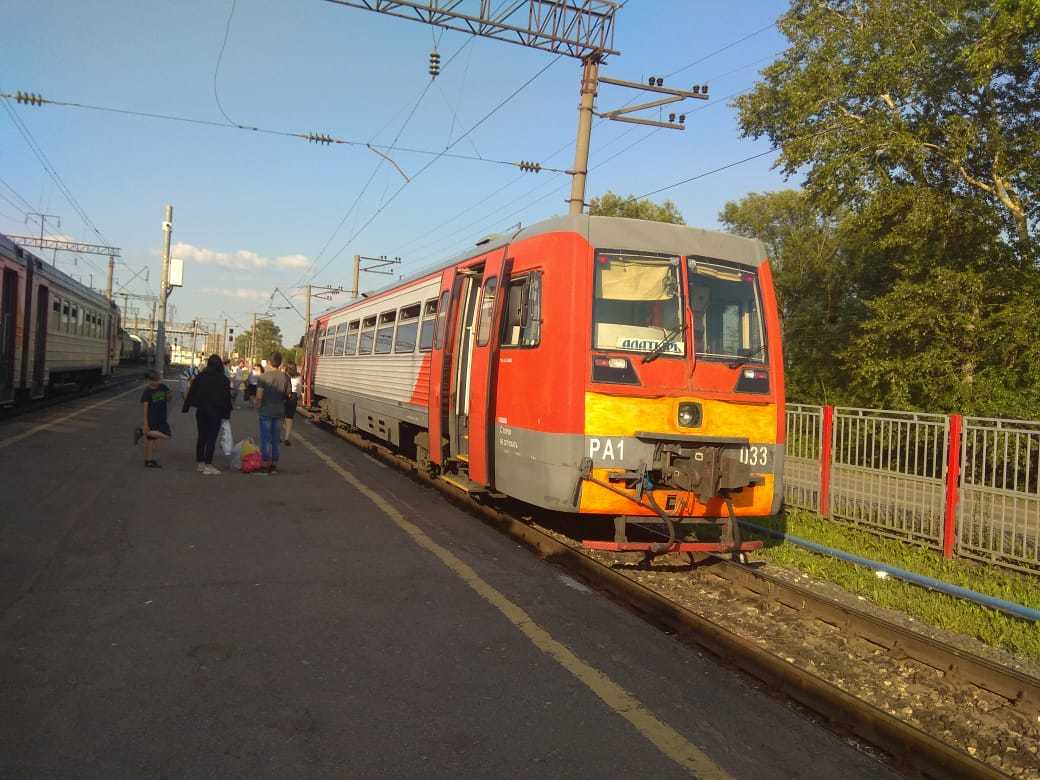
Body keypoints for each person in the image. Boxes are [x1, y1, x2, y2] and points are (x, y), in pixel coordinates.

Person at [183, 354, 233, 475]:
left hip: (201, 411)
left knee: (202, 436)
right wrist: (227, 415)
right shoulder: (224, 380)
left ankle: (200, 463)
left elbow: (192, 392)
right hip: (216, 413)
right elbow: (227, 398)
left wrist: (186, 407)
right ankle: (208, 464)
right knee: (211, 438)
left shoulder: (200, 376)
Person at [254, 351, 292, 474]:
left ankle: (265, 464)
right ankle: (274, 464)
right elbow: (288, 395)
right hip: (279, 411)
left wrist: (257, 405)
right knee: (276, 439)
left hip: (266, 411)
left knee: (265, 438)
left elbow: (259, 396)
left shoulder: (263, 377)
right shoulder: (286, 377)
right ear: (280, 363)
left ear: (269, 362)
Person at [135, 370, 172, 468]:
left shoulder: (163, 387)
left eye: (158, 380)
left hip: (162, 417)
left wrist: (169, 395)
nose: (157, 382)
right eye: (154, 380)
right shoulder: (147, 392)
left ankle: (148, 461)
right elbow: (145, 408)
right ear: (148, 380)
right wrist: (146, 423)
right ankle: (142, 431)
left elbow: (168, 398)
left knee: (150, 440)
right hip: (153, 419)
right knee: (167, 435)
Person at [282, 362, 301, 446]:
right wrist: (298, 396)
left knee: (280, 417)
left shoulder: (284, 376)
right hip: (293, 397)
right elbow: (299, 391)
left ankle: (278, 436)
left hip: (285, 396)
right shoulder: (298, 376)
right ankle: (286, 438)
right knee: (289, 419)